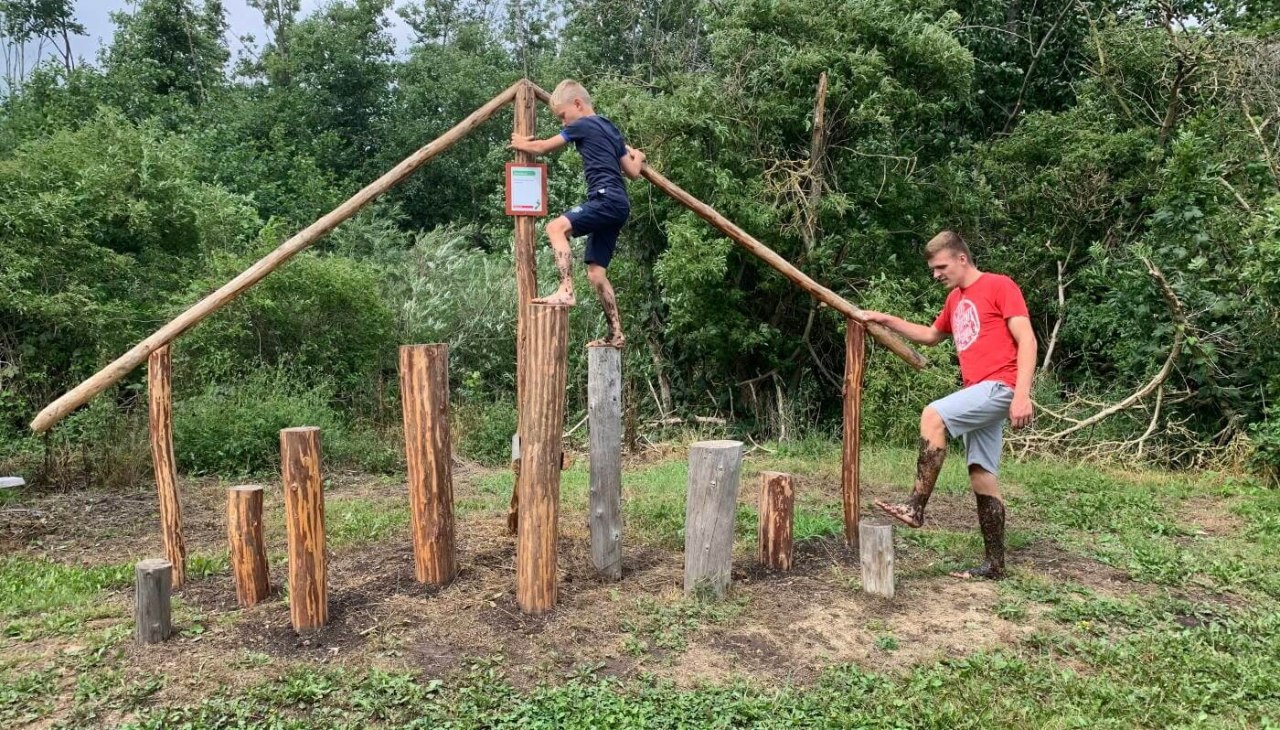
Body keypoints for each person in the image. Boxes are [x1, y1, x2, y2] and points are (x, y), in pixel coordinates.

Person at [861, 231, 1036, 579]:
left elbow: (1027, 339)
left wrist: (1021, 394)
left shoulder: (999, 285)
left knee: (934, 415)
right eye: (933, 269)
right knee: (981, 474)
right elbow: (930, 335)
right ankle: (995, 564)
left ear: (961, 258)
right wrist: (884, 319)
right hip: (979, 390)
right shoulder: (955, 300)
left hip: (1001, 384)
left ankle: (915, 506)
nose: (936, 274)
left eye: (941, 267)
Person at [509, 79, 646, 348]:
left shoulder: (583, 124)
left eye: (563, 116)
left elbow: (542, 147)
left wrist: (520, 142)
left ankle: (566, 289)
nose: (563, 123)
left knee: (555, 228)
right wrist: (638, 157)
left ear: (578, 104)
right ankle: (616, 334)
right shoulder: (611, 128)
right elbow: (633, 172)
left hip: (605, 198)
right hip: (619, 204)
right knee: (596, 273)